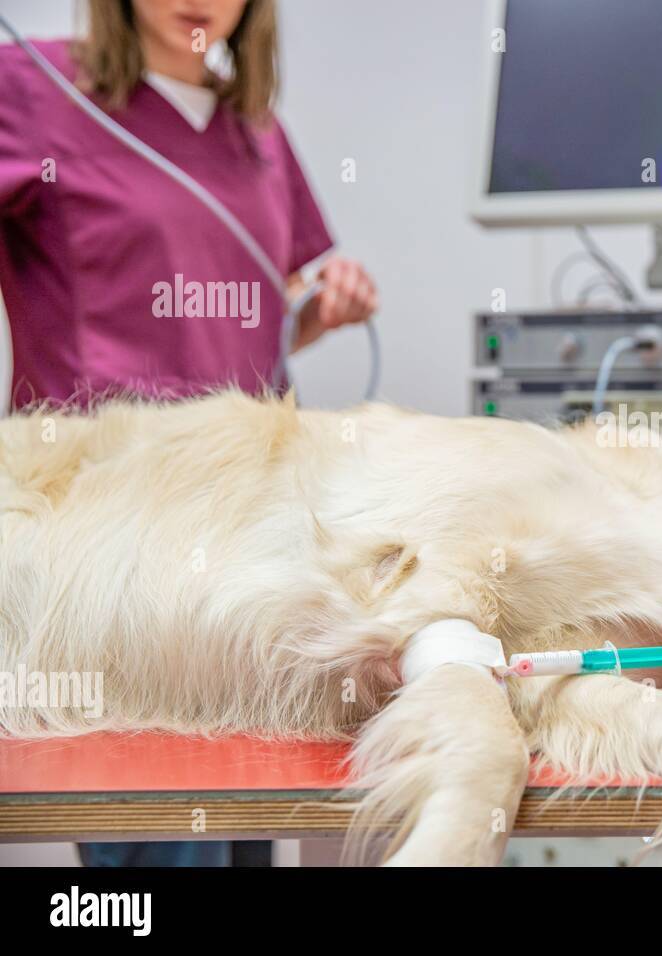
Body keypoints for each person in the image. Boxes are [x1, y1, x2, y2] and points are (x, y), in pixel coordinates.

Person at [0, 0, 377, 863]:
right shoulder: (33, 87)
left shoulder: (257, 135)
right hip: (116, 540)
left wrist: (319, 313)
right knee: (159, 839)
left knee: (249, 818)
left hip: (250, 530)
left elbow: (253, 316)